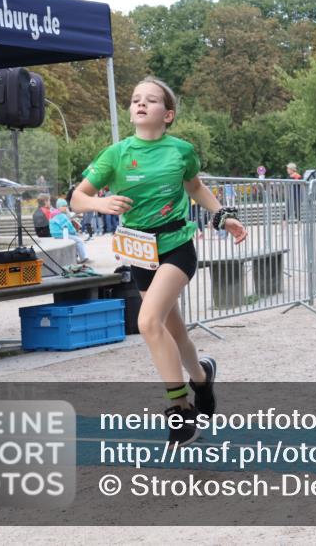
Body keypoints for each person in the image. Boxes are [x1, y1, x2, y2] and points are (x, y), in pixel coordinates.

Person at [71, 76, 248, 445]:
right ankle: (202, 378)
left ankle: (180, 409)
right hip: (140, 253)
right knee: (175, 333)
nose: (140, 104)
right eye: (136, 99)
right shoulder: (116, 154)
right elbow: (78, 197)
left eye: (150, 100)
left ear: (166, 115)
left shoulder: (180, 151)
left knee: (148, 321)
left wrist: (222, 216)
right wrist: (99, 203)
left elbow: (195, 187)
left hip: (176, 246)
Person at [49, 198, 90, 264]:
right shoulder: (61, 215)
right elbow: (68, 227)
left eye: (66, 206)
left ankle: (76, 258)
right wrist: (75, 232)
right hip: (60, 234)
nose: (66, 207)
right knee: (79, 240)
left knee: (75, 240)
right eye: (64, 206)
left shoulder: (54, 213)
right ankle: (83, 257)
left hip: (55, 234)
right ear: (59, 207)